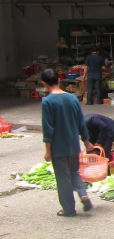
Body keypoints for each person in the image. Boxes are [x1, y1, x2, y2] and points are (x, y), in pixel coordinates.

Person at [40, 69, 94, 217]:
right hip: (73, 145)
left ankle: (69, 209)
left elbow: (48, 129)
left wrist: (48, 150)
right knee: (74, 172)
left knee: (63, 178)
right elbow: (81, 122)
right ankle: (83, 195)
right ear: (59, 80)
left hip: (59, 148)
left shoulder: (47, 102)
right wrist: (87, 142)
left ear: (44, 84)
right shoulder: (72, 98)